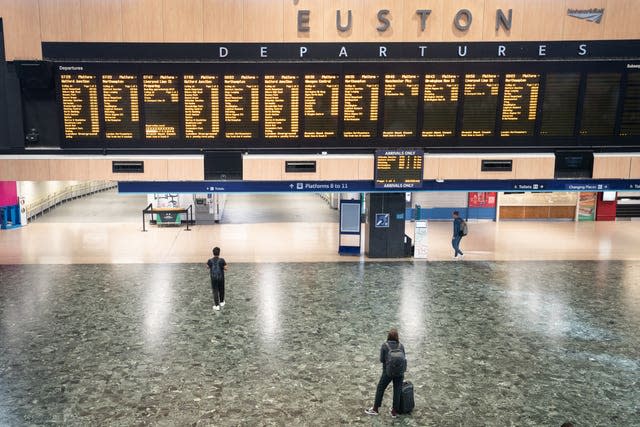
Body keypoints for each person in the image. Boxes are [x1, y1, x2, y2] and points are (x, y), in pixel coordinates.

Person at [365, 328, 407, 418]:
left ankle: (375, 409)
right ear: (397, 337)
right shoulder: (401, 346)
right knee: (397, 390)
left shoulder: (385, 346)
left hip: (387, 372)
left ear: (388, 336)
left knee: (380, 388)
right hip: (400, 373)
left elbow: (381, 360)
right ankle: (394, 412)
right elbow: (404, 358)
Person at [206, 247, 227, 311]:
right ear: (219, 253)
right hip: (221, 278)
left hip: (213, 278)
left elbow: (207, 267)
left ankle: (217, 306)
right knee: (221, 289)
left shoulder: (210, 260)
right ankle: (222, 302)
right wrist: (222, 267)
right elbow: (226, 268)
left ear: (213, 253)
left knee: (215, 291)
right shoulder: (222, 260)